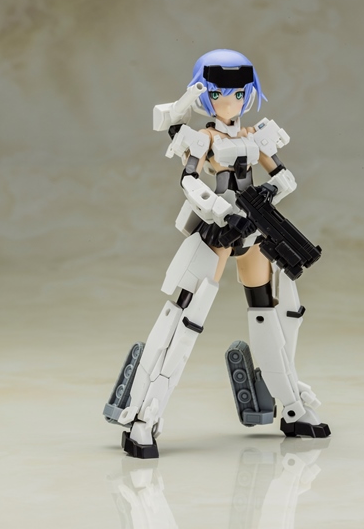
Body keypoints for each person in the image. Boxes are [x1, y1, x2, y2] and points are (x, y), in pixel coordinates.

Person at [103, 49, 330, 459]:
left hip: (254, 230)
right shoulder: (204, 139)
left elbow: (285, 177)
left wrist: (268, 192)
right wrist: (221, 211)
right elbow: (189, 181)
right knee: (185, 316)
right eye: (223, 93)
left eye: (240, 93)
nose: (232, 101)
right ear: (205, 96)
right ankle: (144, 417)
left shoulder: (256, 135)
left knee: (274, 311)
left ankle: (291, 406)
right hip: (222, 229)